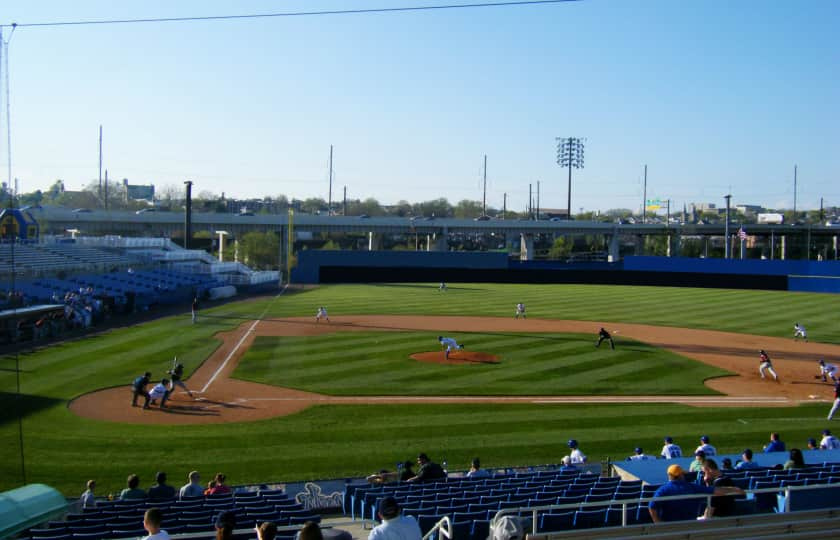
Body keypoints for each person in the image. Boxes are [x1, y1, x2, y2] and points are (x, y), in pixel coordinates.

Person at [648, 464, 743, 523]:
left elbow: (652, 506)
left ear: (669, 476)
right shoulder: (692, 487)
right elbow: (716, 491)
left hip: (670, 527)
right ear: (681, 475)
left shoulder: (662, 490)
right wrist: (734, 489)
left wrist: (658, 522)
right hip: (690, 525)